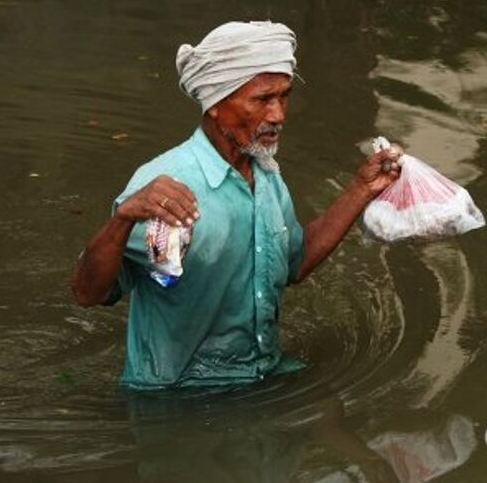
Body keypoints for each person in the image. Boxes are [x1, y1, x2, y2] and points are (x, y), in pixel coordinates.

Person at [71, 21, 401, 389]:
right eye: (262, 100)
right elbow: (88, 293)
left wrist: (360, 188)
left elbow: (295, 263)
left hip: (264, 375)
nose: (278, 115)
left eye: (284, 96)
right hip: (178, 396)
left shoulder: (266, 174)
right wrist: (122, 219)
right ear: (215, 104)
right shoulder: (163, 186)